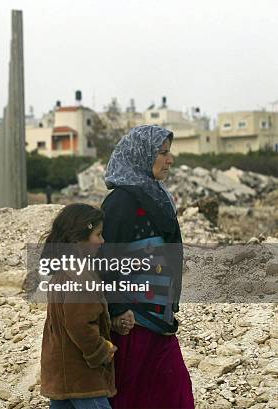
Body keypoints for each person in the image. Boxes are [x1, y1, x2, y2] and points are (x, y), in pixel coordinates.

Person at [101, 125, 194, 408]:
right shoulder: (121, 202)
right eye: (163, 153)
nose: (170, 160)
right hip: (133, 323)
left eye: (169, 152)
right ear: (142, 155)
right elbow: (103, 261)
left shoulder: (158, 197)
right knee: (132, 396)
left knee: (174, 391)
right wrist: (117, 309)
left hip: (160, 320)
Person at [40, 204, 117, 409]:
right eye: (98, 235)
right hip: (81, 374)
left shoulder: (64, 269)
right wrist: (102, 350)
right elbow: (78, 323)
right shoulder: (80, 275)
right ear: (77, 239)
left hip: (61, 372)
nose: (102, 241)